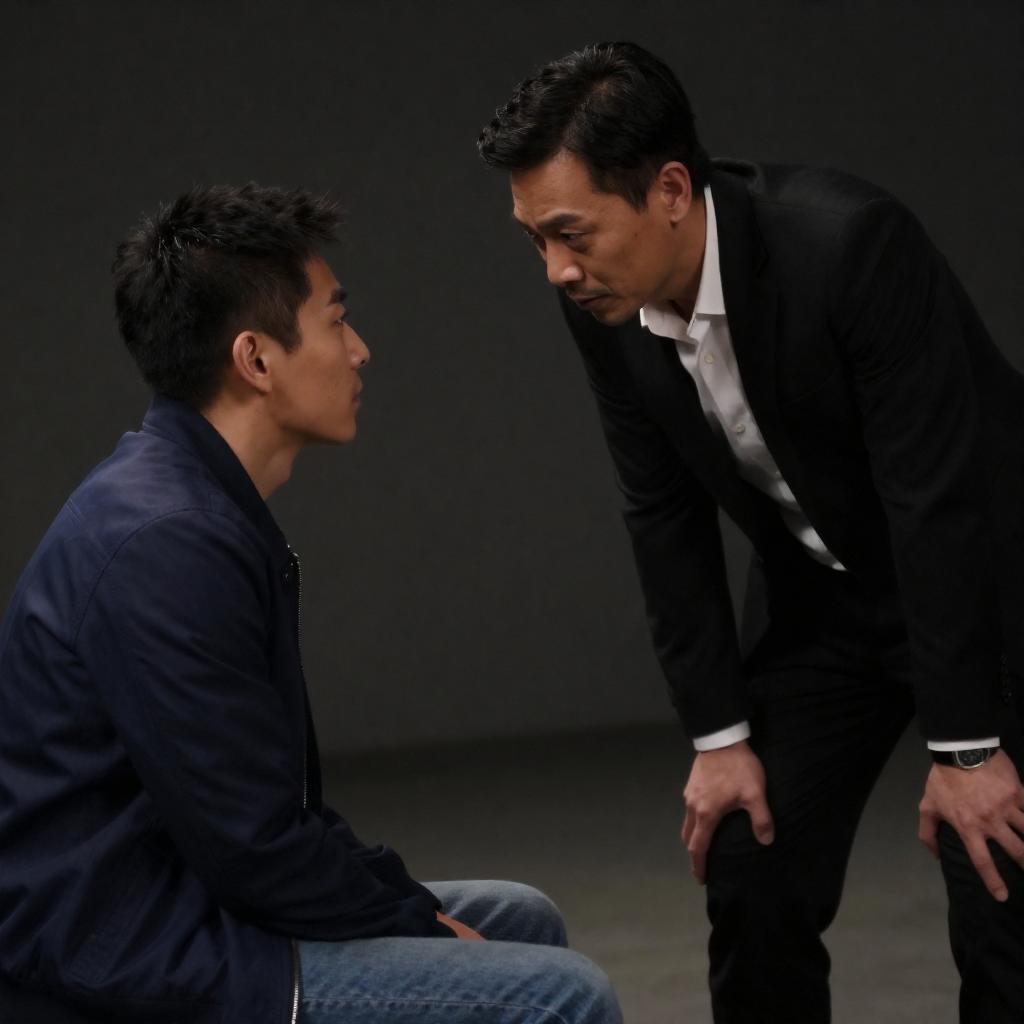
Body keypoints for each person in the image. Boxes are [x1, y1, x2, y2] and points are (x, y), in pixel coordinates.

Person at [477, 41, 1024, 1023]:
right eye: (534, 241)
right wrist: (719, 736)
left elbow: (933, 502)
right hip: (826, 601)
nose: (556, 270)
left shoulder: (848, 245)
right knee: (747, 856)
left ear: (669, 190)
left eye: (570, 233)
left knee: (995, 875)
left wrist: (967, 749)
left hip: (989, 581)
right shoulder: (603, 301)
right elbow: (660, 508)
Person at [0, 183, 622, 1024]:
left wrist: (409, 907)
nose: (359, 350)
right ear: (256, 359)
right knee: (561, 995)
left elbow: (266, 813)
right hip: (126, 953)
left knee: (519, 918)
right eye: (337, 320)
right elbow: (253, 849)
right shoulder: (165, 541)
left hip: (180, 896)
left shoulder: (192, 502)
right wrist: (420, 925)